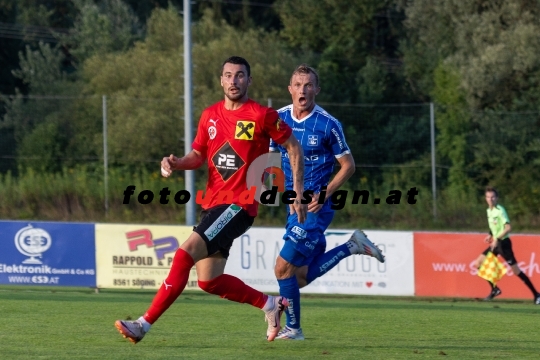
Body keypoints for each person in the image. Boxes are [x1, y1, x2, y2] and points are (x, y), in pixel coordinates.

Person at [115, 56, 307, 343]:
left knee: (184, 254)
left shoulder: (261, 114)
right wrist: (177, 162)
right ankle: (271, 305)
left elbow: (293, 147)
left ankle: (143, 324)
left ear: (249, 80)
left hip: (239, 205)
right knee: (209, 281)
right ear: (221, 80)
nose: (233, 81)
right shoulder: (210, 115)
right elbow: (199, 155)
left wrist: (298, 193)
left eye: (240, 75)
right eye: (228, 75)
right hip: (214, 206)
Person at [269, 64, 385, 340]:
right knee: (298, 277)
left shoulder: (328, 124)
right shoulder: (278, 118)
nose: (303, 90)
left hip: (315, 209)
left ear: (316, 90)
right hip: (292, 208)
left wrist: (325, 193)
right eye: (298, 85)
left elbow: (348, 165)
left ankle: (293, 329)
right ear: (290, 89)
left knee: (282, 268)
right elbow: (269, 157)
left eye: (308, 85)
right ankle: (350, 246)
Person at [475, 187, 540, 303]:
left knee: (516, 271)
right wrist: (490, 235)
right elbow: (495, 226)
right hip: (495, 243)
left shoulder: (500, 210)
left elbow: (508, 227)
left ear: (497, 198)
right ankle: (495, 289)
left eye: (493, 197)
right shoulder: (488, 211)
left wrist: (497, 238)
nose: (491, 199)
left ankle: (537, 295)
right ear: (485, 198)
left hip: (503, 244)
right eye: (488, 197)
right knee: (478, 263)